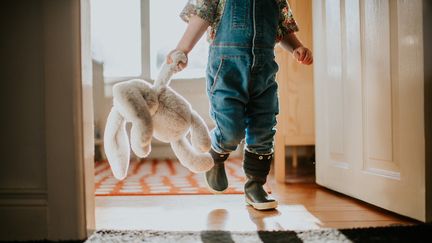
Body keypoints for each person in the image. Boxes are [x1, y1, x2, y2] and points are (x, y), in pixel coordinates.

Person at [167, 0, 313, 210]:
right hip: (227, 69)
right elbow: (201, 15)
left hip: (264, 71)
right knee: (231, 130)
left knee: (263, 129)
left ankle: (255, 186)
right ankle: (216, 153)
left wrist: (297, 47)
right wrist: (182, 49)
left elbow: (283, 27)